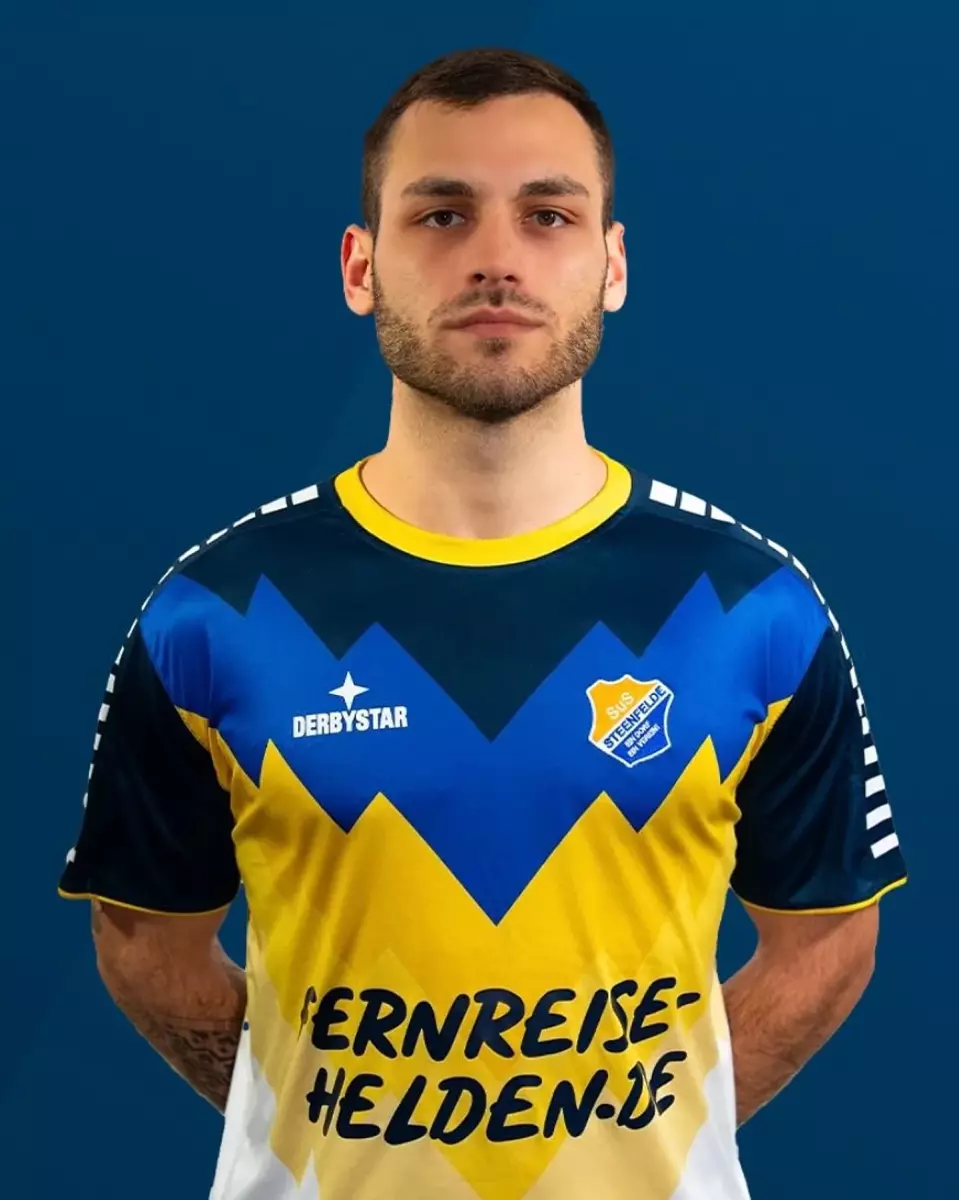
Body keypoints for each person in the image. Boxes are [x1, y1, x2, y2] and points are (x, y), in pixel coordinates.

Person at [59, 46, 907, 1200]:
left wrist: (653, 1142)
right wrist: (307, 1114)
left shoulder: (752, 608)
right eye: (441, 214)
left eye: (547, 215)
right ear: (360, 266)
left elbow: (825, 939)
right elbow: (145, 943)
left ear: (611, 264)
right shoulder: (213, 615)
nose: (495, 258)